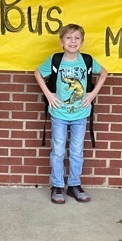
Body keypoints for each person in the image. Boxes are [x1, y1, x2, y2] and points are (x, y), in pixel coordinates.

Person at [35, 24, 108, 204]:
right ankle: (58, 185)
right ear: (61, 41)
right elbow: (37, 73)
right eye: (68, 38)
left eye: (76, 38)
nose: (72, 41)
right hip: (59, 114)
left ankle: (74, 184)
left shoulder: (87, 61)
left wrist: (93, 94)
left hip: (81, 114)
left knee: (77, 152)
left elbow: (104, 73)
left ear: (82, 42)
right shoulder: (55, 60)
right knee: (58, 151)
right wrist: (48, 94)